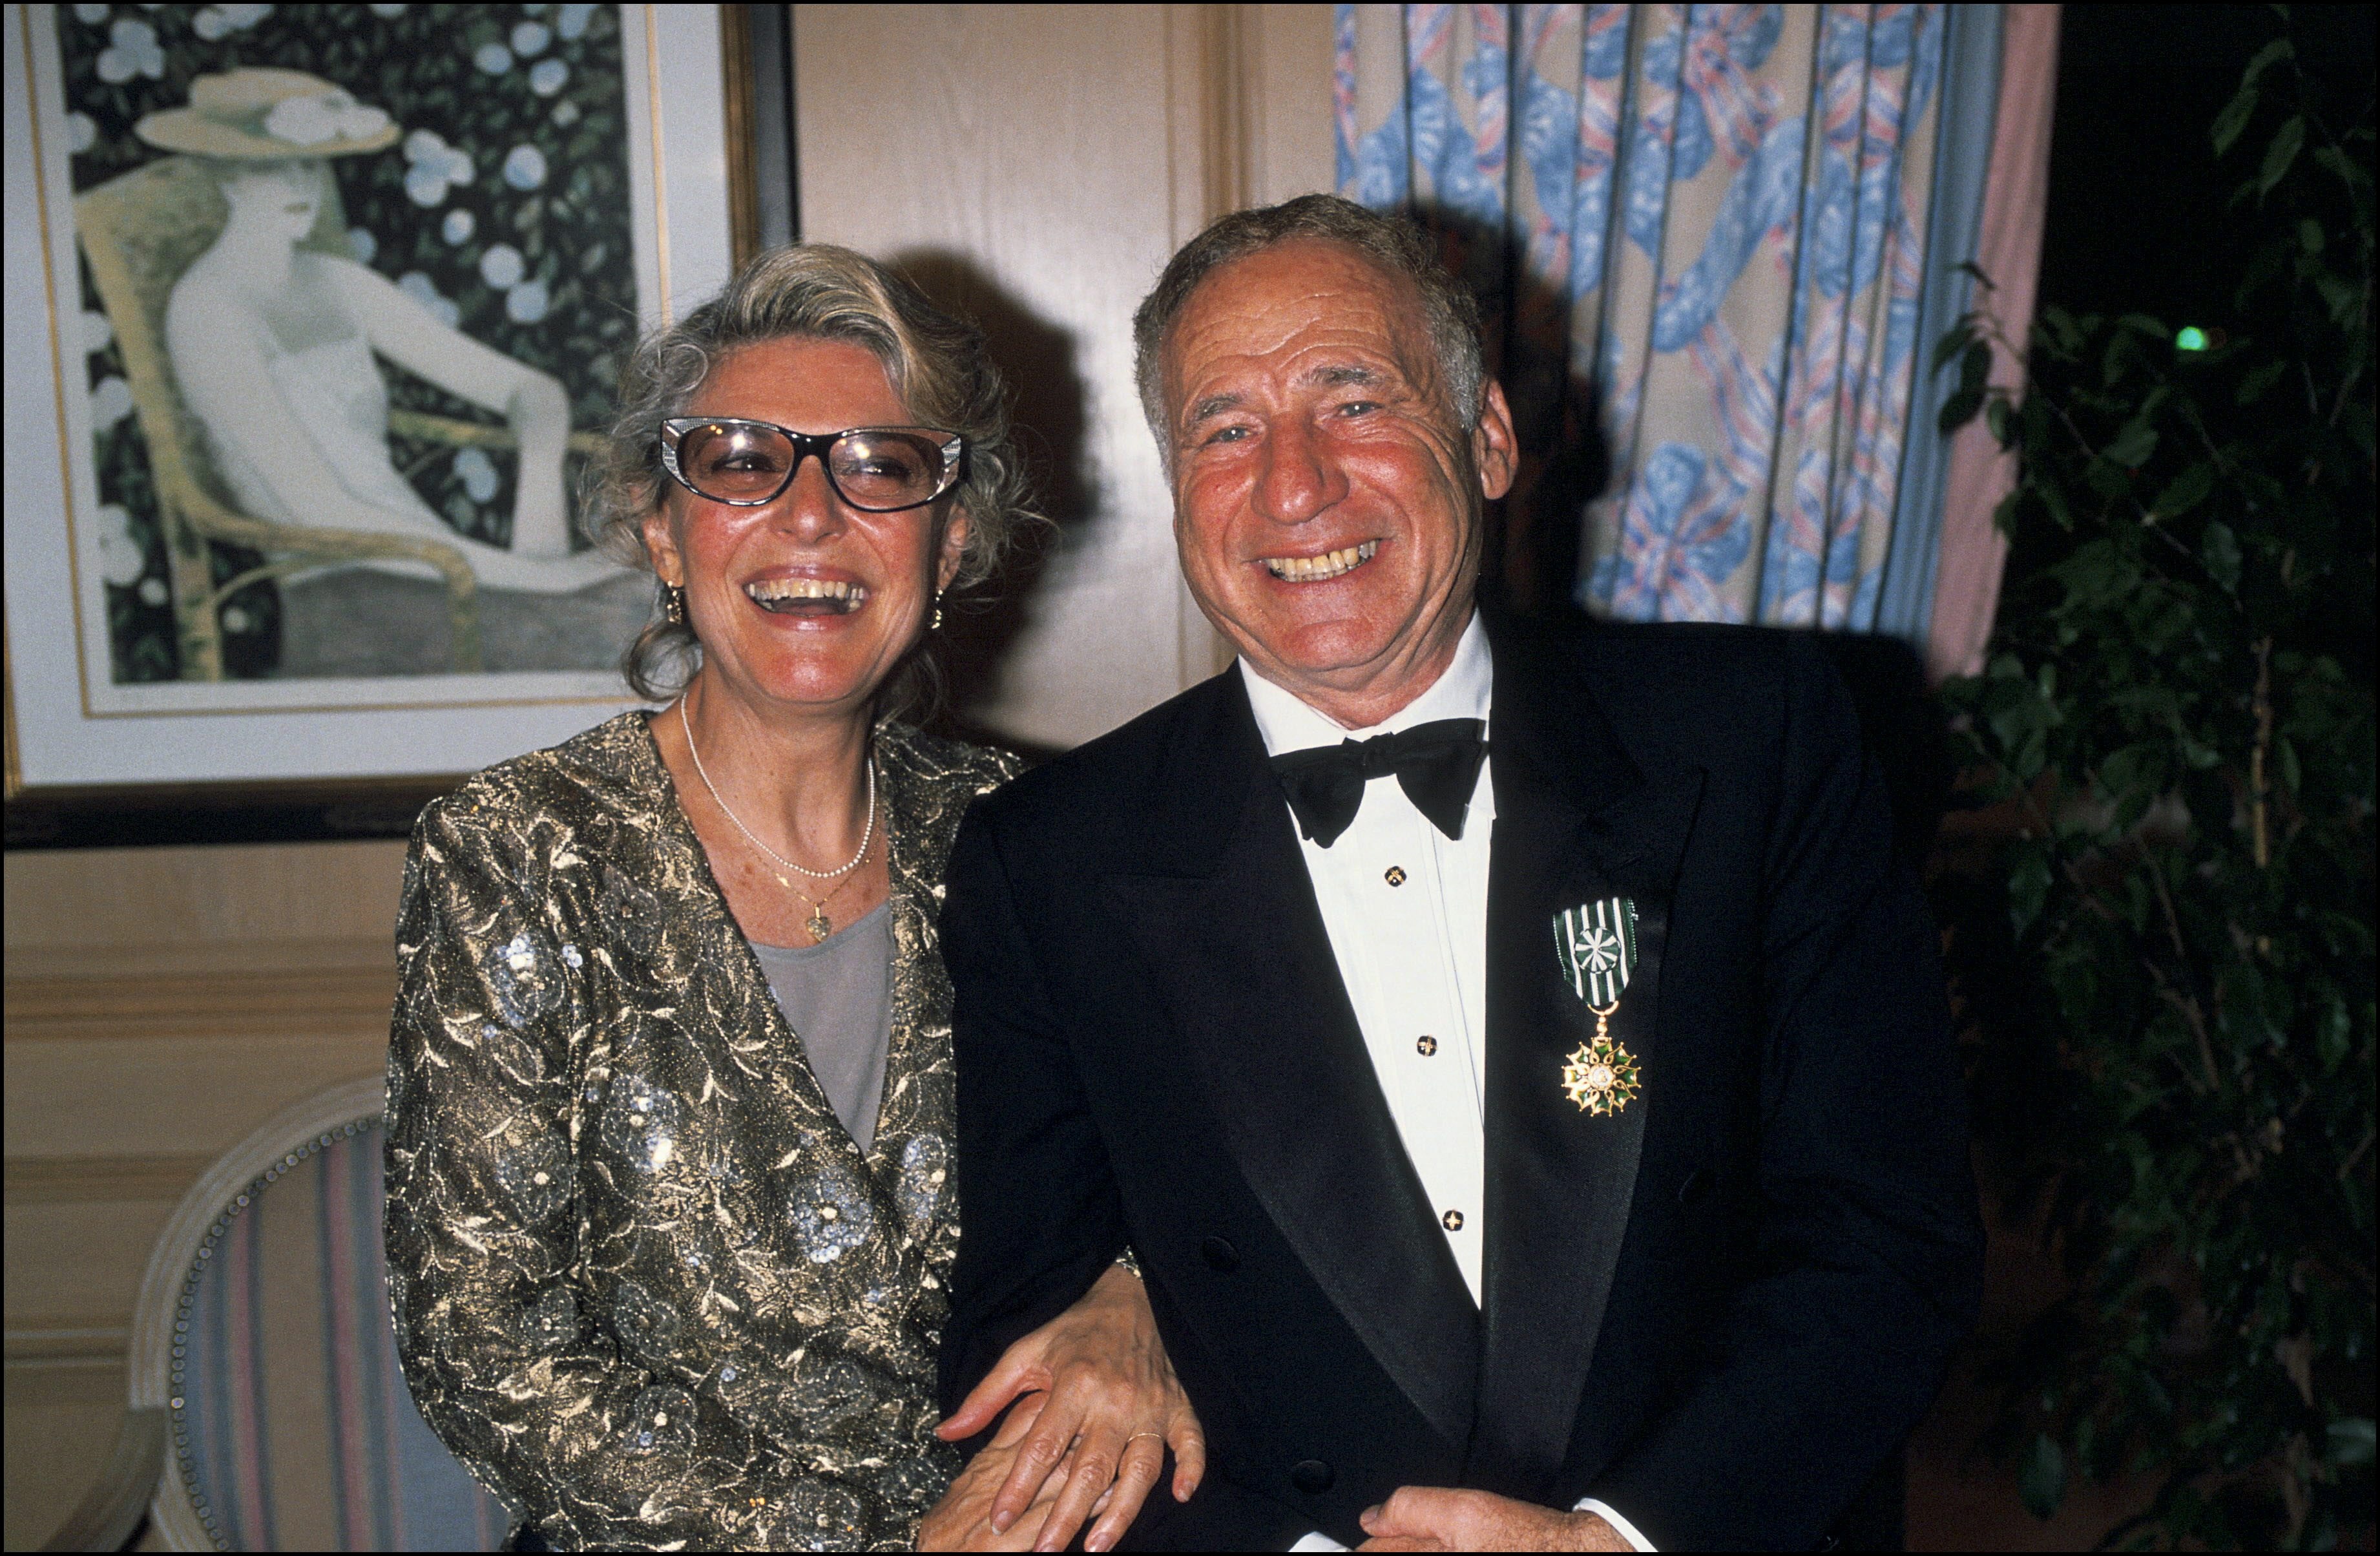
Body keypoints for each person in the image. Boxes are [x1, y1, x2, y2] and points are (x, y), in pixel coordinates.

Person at [936, 194, 1985, 1550]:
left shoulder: (1755, 737)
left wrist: (1619, 1537)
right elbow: (1027, 1359)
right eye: (1226, 428)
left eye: (1354, 399)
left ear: (1488, 438)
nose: (1295, 482)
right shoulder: (1053, 862)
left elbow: (1882, 1239)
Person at [386, 244, 1203, 1551]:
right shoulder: (516, 849)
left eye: (880, 467)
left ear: (953, 541)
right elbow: (484, 1346)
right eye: (742, 460)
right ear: (662, 525)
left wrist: (1137, 1294)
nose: (812, 518)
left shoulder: (1036, 837)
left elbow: (1201, 1177)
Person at [136, 68, 618, 594]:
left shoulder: (336, 280)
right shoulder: (205, 311)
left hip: (436, 565)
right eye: (272, 168)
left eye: (310, 164)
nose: (302, 186)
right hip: (340, 581)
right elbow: (322, 512)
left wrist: (538, 543)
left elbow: (531, 391)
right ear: (225, 175)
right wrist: (542, 582)